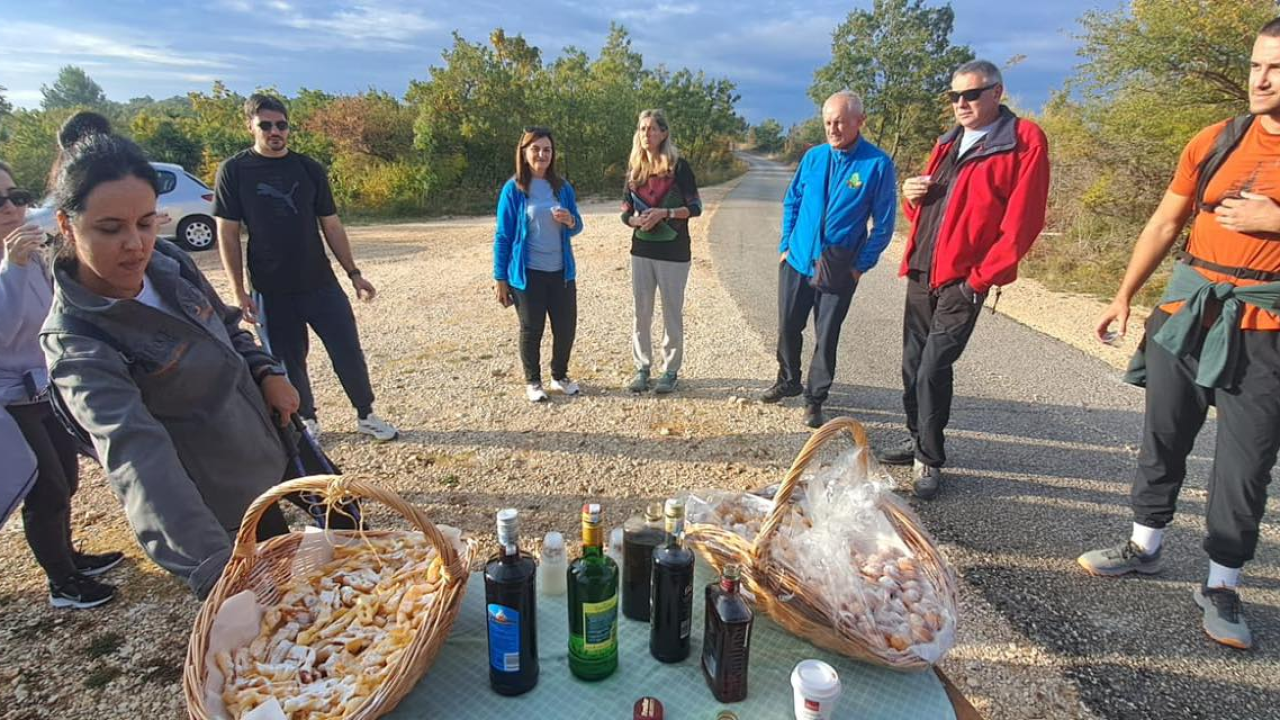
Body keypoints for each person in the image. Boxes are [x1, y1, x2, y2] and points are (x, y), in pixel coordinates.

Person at [1077, 19, 1280, 650]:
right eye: (1256, 65)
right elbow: (1166, 222)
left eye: (1276, 68)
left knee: (1245, 464)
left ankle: (1222, 583)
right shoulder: (1217, 139)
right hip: (1187, 310)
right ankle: (1145, 545)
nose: (1261, 79)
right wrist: (1124, 295)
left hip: (1265, 329)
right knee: (1162, 436)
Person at [41, 129, 298, 599]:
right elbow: (138, 459)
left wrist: (266, 371)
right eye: (110, 229)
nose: (135, 244)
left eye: (145, 222)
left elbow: (225, 324)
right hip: (214, 509)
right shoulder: (78, 340)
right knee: (273, 608)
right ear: (66, 224)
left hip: (261, 457)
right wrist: (216, 570)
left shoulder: (168, 260)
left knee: (304, 574)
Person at [874, 60, 1051, 500]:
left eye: (971, 94)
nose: (961, 104)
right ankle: (916, 438)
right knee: (912, 365)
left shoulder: (1022, 141)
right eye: (954, 96)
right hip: (922, 269)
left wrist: (980, 279)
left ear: (997, 92)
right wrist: (910, 197)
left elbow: (1023, 222)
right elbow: (930, 209)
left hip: (963, 280)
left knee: (933, 368)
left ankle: (930, 459)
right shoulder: (948, 141)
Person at [214, 93, 398, 442]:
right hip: (270, 288)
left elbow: (331, 224)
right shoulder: (234, 171)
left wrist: (354, 273)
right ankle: (307, 420)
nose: (275, 132)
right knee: (287, 361)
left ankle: (366, 414)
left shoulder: (308, 168)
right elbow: (228, 232)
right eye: (266, 125)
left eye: (281, 125)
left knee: (347, 349)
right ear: (250, 126)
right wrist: (239, 292)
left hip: (319, 281)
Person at [1, 159, 123, 609]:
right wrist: (12, 269)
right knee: (45, 484)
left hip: (44, 385)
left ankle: (68, 556)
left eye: (16, 197)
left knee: (66, 478)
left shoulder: (32, 247)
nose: (11, 208)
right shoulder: (15, 260)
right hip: (10, 398)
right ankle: (61, 582)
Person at [760, 91, 897, 428]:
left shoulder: (877, 164)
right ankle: (788, 380)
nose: (833, 129)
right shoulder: (814, 157)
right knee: (788, 326)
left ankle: (815, 398)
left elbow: (884, 225)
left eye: (840, 122)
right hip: (797, 259)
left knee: (827, 335)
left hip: (838, 265)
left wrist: (859, 266)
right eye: (827, 122)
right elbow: (793, 200)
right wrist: (786, 244)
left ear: (859, 121)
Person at [493, 127, 585, 402]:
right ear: (524, 153)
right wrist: (500, 278)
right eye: (535, 149)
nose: (542, 154)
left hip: (561, 272)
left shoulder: (562, 187)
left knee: (565, 328)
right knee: (532, 329)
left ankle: (559, 376)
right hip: (527, 274)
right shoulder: (513, 189)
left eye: (547, 149)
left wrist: (570, 220)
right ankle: (533, 381)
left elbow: (577, 225)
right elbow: (503, 236)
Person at [621, 109, 702, 395]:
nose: (647, 134)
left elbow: (695, 208)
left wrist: (664, 213)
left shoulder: (679, 167)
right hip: (641, 249)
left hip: (674, 252)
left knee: (671, 313)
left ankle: (670, 370)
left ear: (664, 133)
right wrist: (635, 221)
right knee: (641, 313)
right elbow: (625, 210)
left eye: (653, 129)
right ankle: (642, 368)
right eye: (643, 128)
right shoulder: (634, 168)